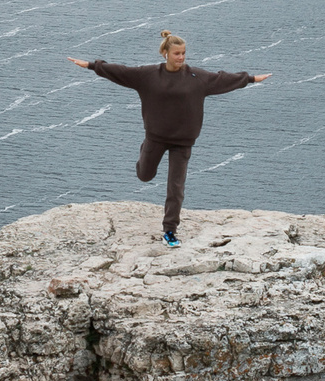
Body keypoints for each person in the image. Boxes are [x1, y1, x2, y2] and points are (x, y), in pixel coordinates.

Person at [71, 31, 269, 246]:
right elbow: (121, 71)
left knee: (176, 186)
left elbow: (222, 78)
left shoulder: (197, 78)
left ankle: (170, 231)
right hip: (155, 137)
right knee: (145, 176)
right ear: (165, 53)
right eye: (176, 53)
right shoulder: (148, 75)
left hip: (183, 141)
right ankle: (144, 153)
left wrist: (249, 79)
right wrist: (92, 65)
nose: (181, 57)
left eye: (183, 53)